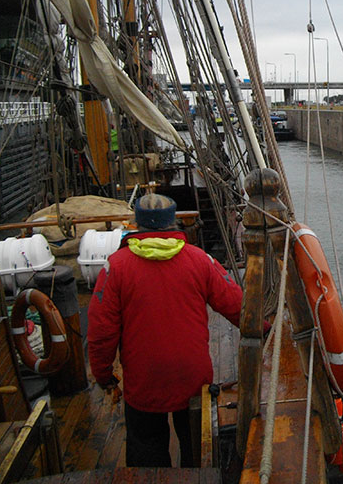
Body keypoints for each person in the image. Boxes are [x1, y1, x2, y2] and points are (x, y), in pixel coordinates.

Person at [87, 193, 244, 468]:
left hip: (143, 380)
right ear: (173, 223)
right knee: (197, 449)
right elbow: (236, 305)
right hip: (192, 377)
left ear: (137, 224)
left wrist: (104, 377)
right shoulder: (199, 260)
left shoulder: (116, 267)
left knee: (147, 451)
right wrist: (266, 330)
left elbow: (101, 332)